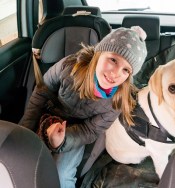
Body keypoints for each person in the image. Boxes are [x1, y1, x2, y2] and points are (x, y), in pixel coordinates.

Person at [20, 26, 147, 188]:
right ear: (99, 53)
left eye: (126, 70)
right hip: (48, 112)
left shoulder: (117, 101)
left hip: (76, 130)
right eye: (113, 60)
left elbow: (91, 130)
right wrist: (25, 128)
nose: (115, 73)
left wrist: (63, 141)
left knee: (62, 174)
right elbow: (41, 92)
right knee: (20, 154)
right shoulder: (69, 66)